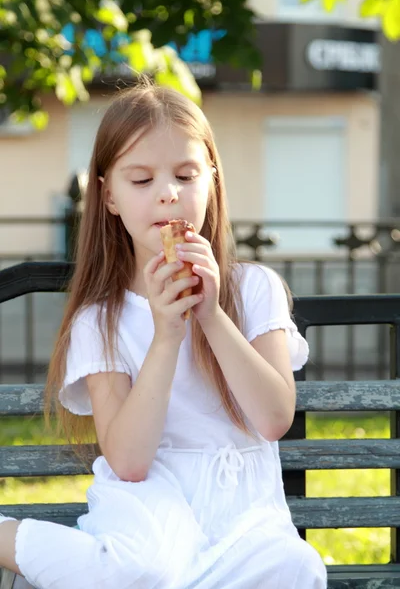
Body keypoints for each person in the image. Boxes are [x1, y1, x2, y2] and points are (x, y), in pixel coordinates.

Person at [0, 80, 327, 589]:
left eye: (185, 174)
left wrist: (213, 315)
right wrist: (166, 336)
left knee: (298, 569)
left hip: (243, 509)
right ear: (109, 197)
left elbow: (273, 418)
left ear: (212, 182)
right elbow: (128, 462)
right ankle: (7, 537)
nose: (168, 192)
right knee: (145, 570)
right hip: (149, 503)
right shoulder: (100, 319)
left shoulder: (253, 288)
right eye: (141, 179)